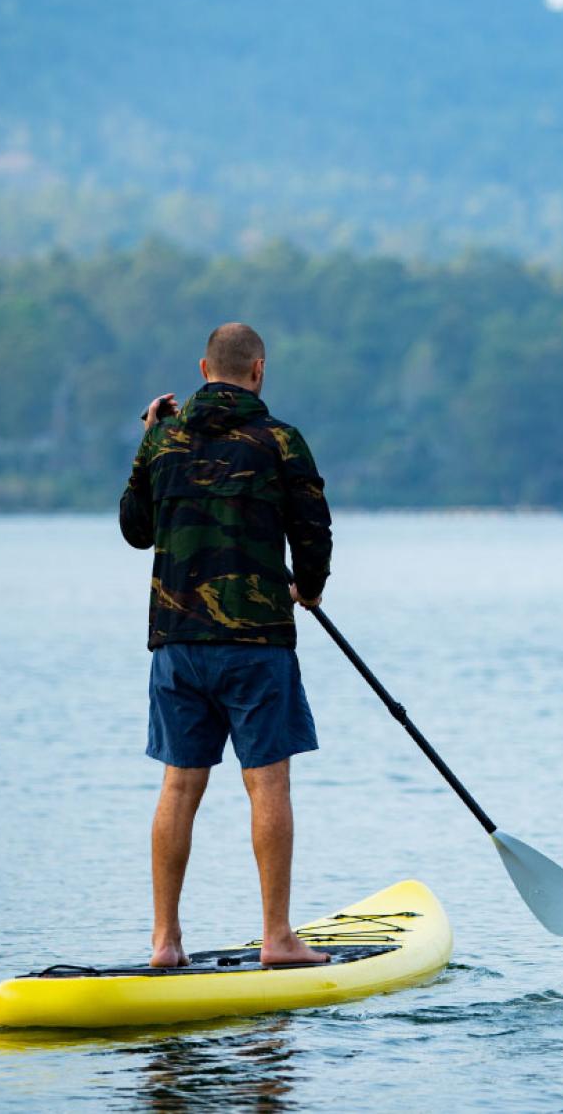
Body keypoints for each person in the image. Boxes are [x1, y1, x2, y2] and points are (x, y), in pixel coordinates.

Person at [119, 322, 332, 968]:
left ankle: (164, 942)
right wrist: (311, 588)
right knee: (267, 785)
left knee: (179, 787)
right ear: (258, 370)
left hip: (178, 644)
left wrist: (147, 440)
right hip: (257, 642)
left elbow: (134, 528)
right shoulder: (281, 442)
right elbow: (313, 531)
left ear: (204, 369)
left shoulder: (164, 438)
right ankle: (277, 938)